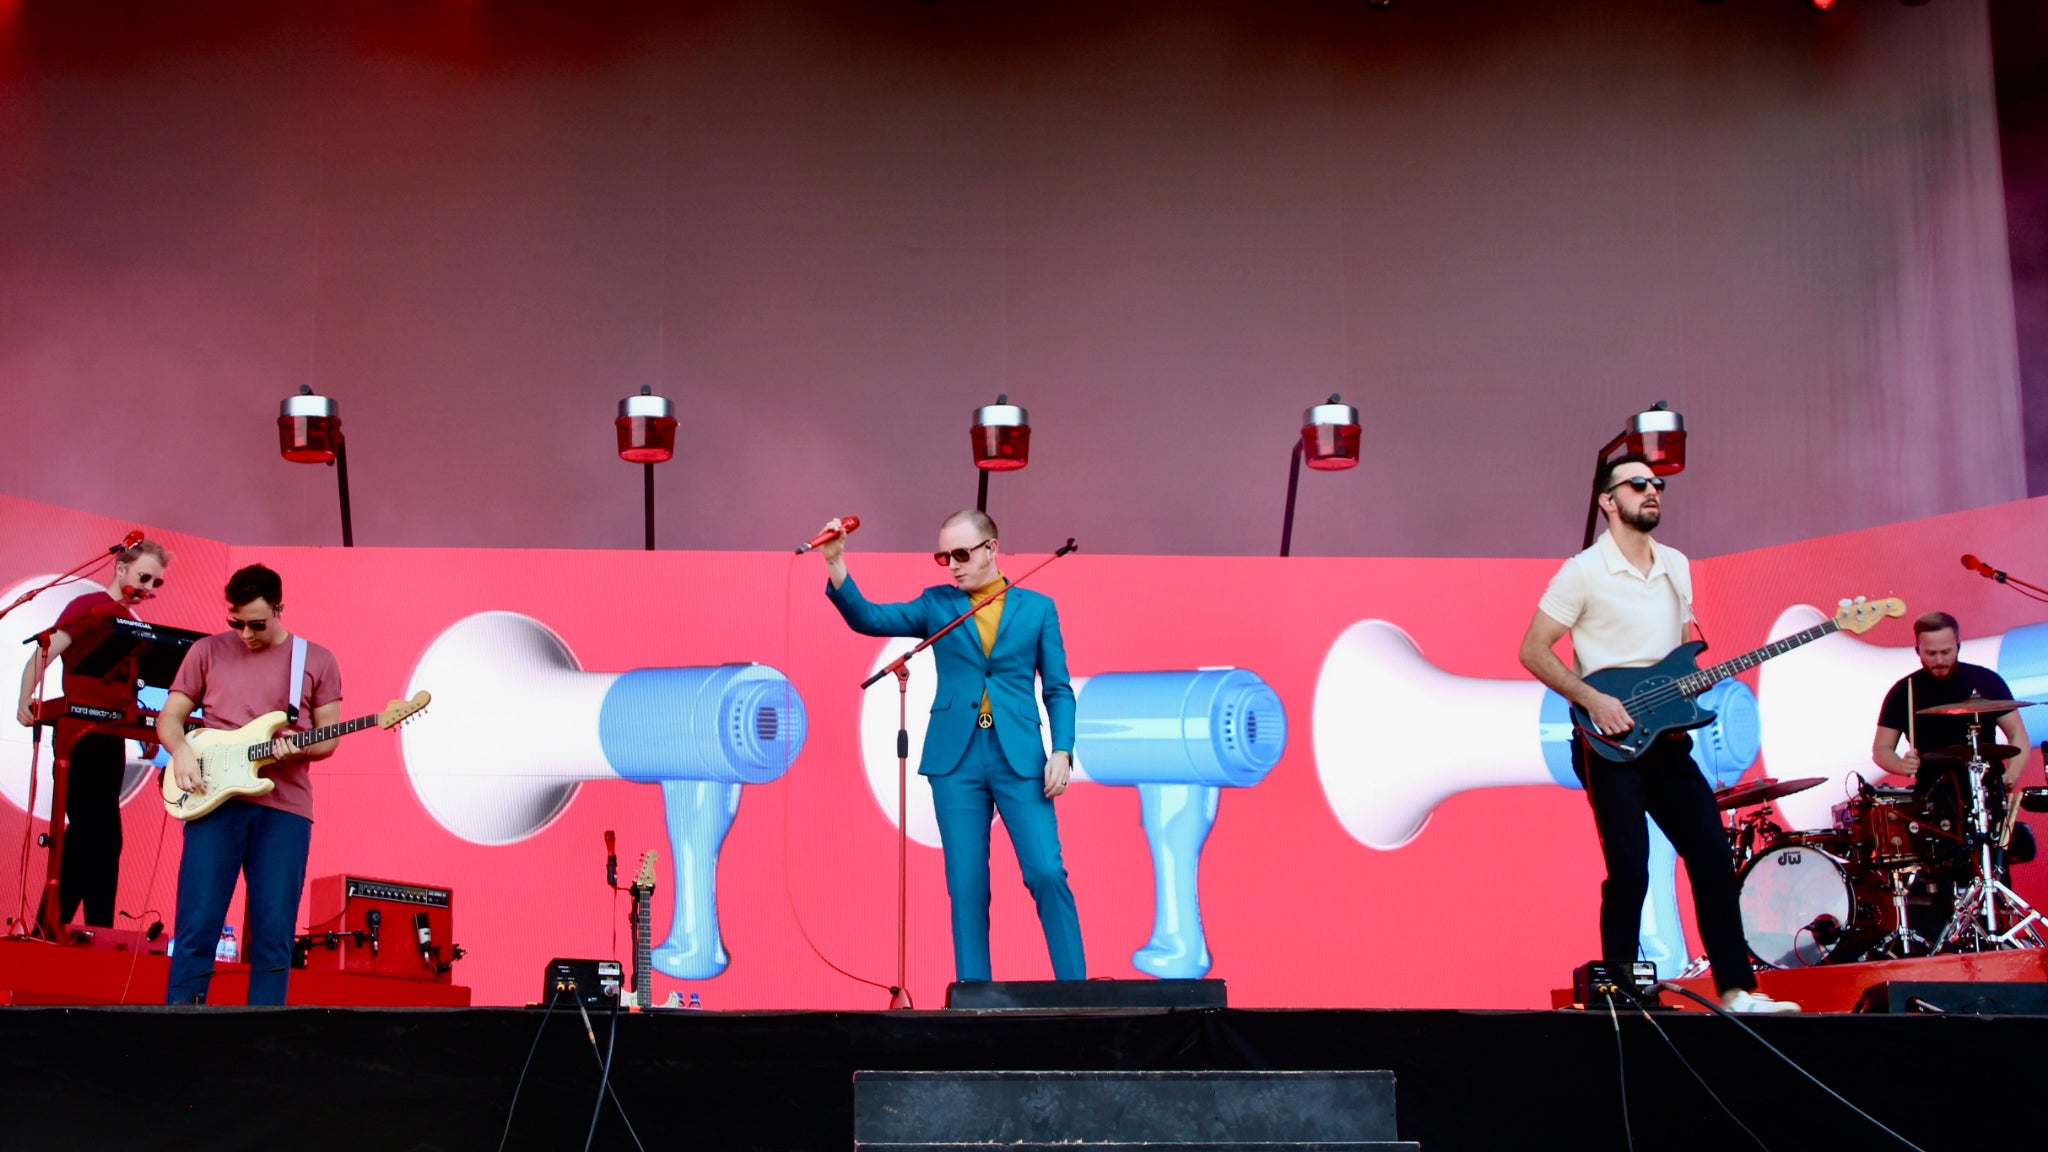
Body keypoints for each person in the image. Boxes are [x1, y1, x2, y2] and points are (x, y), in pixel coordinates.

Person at [1519, 455, 1797, 1013]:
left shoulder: (1675, 564)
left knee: (1712, 855)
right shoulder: (1582, 571)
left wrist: (1690, 688)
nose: (1652, 491)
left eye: (1658, 484)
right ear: (1607, 500)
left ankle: (1738, 990)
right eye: (1638, 484)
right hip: (1609, 742)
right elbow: (1533, 650)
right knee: (1630, 866)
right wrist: (1593, 699)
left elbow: (1677, 657)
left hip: (1668, 742)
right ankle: (1620, 996)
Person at [815, 510, 1085, 983]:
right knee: (966, 885)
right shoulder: (937, 604)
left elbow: (1058, 689)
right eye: (944, 557)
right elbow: (870, 617)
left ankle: (1078, 994)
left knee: (1046, 871)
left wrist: (1062, 750)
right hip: (956, 760)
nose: (953, 566)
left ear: (991, 549)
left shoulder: (1038, 608)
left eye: (961, 554)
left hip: (1019, 756)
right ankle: (976, 998)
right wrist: (836, 563)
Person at [157, 564, 341, 1005]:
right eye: (236, 623)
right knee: (197, 925)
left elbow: (328, 737)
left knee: (274, 934)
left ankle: (264, 1035)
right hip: (213, 801)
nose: (246, 634)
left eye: (257, 624)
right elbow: (170, 717)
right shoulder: (206, 651)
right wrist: (181, 751)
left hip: (284, 810)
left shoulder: (316, 660)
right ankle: (179, 1026)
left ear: (279, 608)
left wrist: (298, 748)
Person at [13, 540, 173, 927]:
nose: (149, 587)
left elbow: (131, 687)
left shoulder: (129, 623)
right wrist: (25, 697)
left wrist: (147, 733)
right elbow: (47, 650)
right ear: (121, 569)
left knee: (85, 837)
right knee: (102, 836)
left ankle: (49, 928)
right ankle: (98, 931)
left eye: (156, 582)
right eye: (144, 577)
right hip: (79, 735)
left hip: (111, 737)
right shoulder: (92, 607)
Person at [1872, 611, 2031, 880]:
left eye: (1946, 652)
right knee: (1941, 880)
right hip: (1933, 797)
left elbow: (2017, 734)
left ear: (1958, 646)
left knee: (1992, 874)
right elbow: (1881, 749)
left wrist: (2012, 773)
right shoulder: (1904, 691)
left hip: (1984, 793)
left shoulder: (1986, 681)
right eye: (1930, 653)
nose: (1939, 660)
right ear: (1917, 650)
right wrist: (1900, 765)